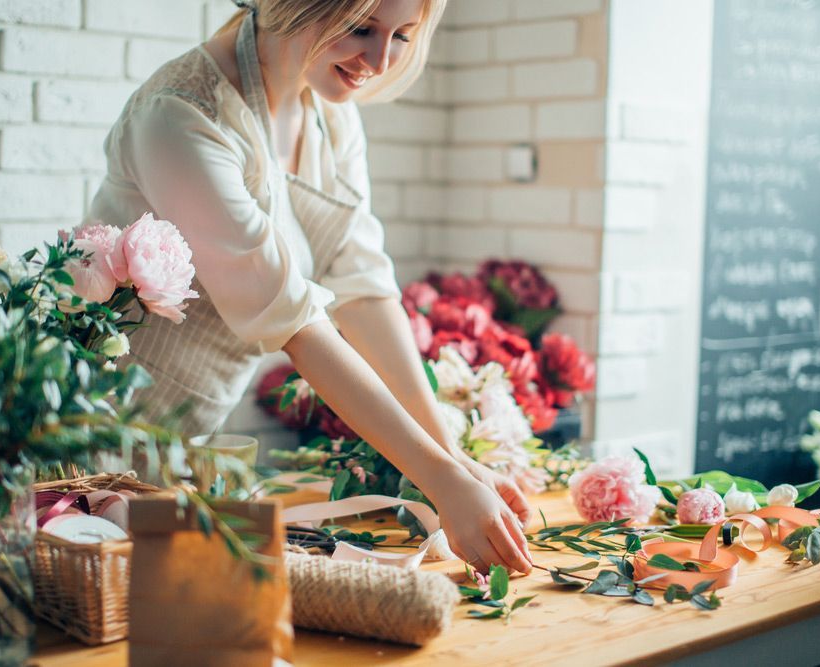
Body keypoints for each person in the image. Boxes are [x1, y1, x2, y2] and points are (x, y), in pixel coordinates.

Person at [85, 0, 532, 574]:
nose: (378, 60)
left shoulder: (330, 113)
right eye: (361, 28)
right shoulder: (180, 116)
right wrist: (441, 480)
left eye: (401, 36)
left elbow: (364, 286)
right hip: (92, 440)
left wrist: (455, 460)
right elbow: (296, 323)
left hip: (185, 444)